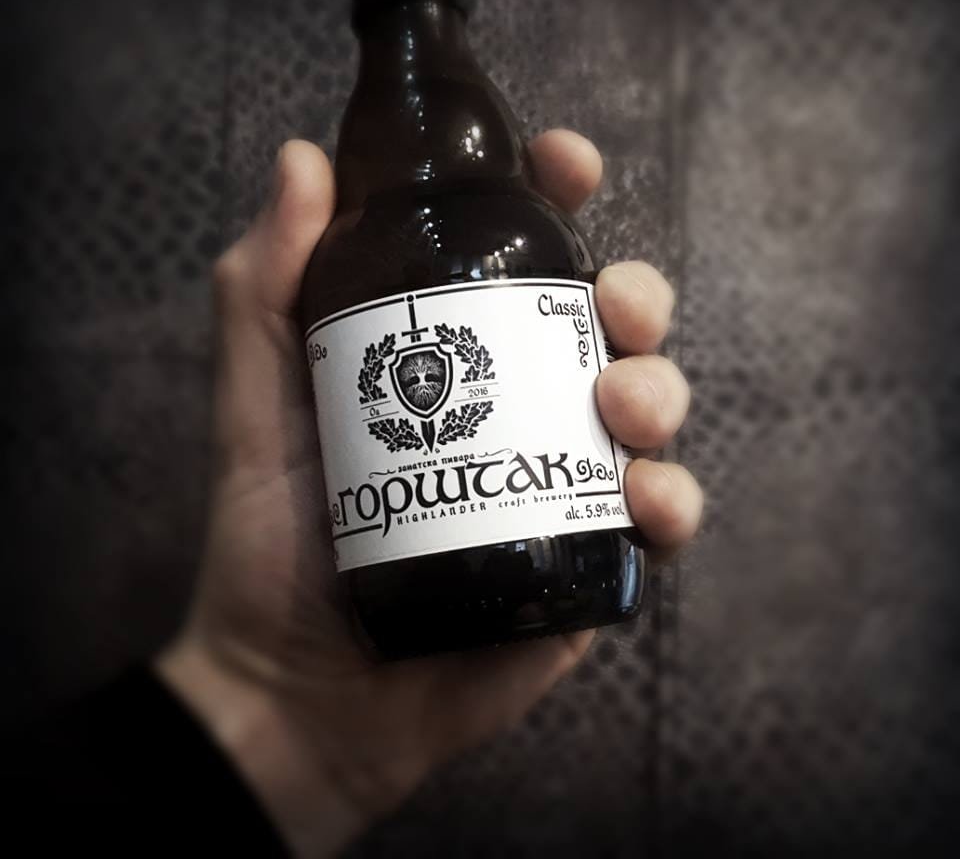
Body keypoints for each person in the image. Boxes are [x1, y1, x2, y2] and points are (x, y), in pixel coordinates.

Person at [4, 130, 702, 857]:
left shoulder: (512, 221)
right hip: (291, 696)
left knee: (633, 386)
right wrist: (262, 692)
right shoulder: (359, 242)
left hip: (201, 760)